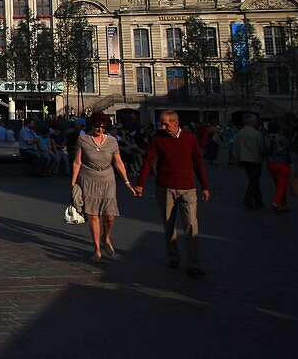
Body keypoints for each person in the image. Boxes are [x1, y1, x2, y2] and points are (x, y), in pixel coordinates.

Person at [135, 110, 211, 278]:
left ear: (175, 123)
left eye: (165, 124)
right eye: (161, 123)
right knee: (169, 223)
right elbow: (148, 160)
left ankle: (193, 263)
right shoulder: (158, 137)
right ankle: (174, 256)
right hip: (165, 187)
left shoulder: (190, 139)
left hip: (188, 188)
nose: (162, 126)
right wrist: (140, 184)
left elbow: (198, 163)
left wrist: (205, 186)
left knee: (191, 225)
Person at [72, 112, 135, 263]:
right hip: (88, 179)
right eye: (97, 126)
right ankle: (97, 249)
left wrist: (127, 182)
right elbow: (77, 162)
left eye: (103, 127)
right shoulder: (83, 139)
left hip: (107, 179)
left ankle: (106, 237)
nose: (99, 129)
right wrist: (73, 184)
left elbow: (118, 162)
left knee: (109, 216)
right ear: (91, 125)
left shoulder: (112, 141)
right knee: (93, 215)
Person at [232, 114, 266, 209]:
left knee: (253, 179)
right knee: (254, 180)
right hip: (255, 159)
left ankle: (258, 200)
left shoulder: (239, 133)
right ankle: (249, 199)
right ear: (252, 122)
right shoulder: (257, 133)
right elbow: (261, 147)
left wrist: (237, 160)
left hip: (244, 159)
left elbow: (236, 148)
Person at [265, 122, 293, 213]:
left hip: (270, 163)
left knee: (279, 184)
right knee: (282, 184)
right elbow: (287, 151)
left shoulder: (265, 138)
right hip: (282, 163)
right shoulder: (282, 138)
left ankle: (284, 205)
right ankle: (276, 202)